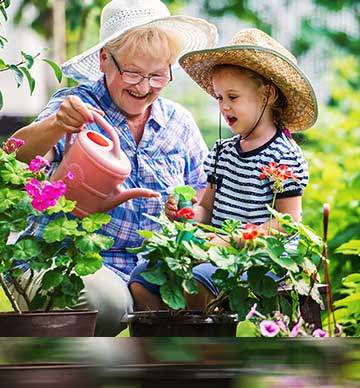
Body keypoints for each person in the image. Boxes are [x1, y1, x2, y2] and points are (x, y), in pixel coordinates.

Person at [11, 0, 218, 336]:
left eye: (158, 75)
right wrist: (56, 125)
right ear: (105, 59)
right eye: (133, 73)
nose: (144, 86)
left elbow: (201, 203)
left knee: (199, 293)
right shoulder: (76, 107)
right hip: (74, 256)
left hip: (150, 268)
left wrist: (188, 213)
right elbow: (14, 161)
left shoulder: (178, 123)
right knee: (102, 303)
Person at [129, 28, 318, 311]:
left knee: (196, 281)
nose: (224, 106)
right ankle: (165, 345)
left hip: (260, 258)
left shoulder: (284, 156)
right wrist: (186, 215)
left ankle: (204, 347)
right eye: (219, 98)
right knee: (141, 278)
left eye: (233, 97)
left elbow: (285, 225)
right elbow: (207, 208)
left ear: (267, 94)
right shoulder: (222, 152)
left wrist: (232, 239)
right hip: (216, 251)